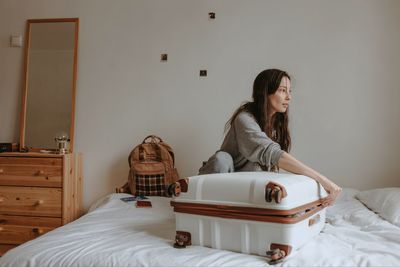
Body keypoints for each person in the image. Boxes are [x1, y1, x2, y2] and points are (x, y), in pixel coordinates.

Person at [199, 68, 341, 205]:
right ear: (265, 92)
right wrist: (324, 181)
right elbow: (273, 154)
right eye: (282, 90)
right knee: (221, 159)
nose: (289, 97)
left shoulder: (276, 124)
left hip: (246, 186)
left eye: (289, 91)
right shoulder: (244, 119)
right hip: (223, 182)